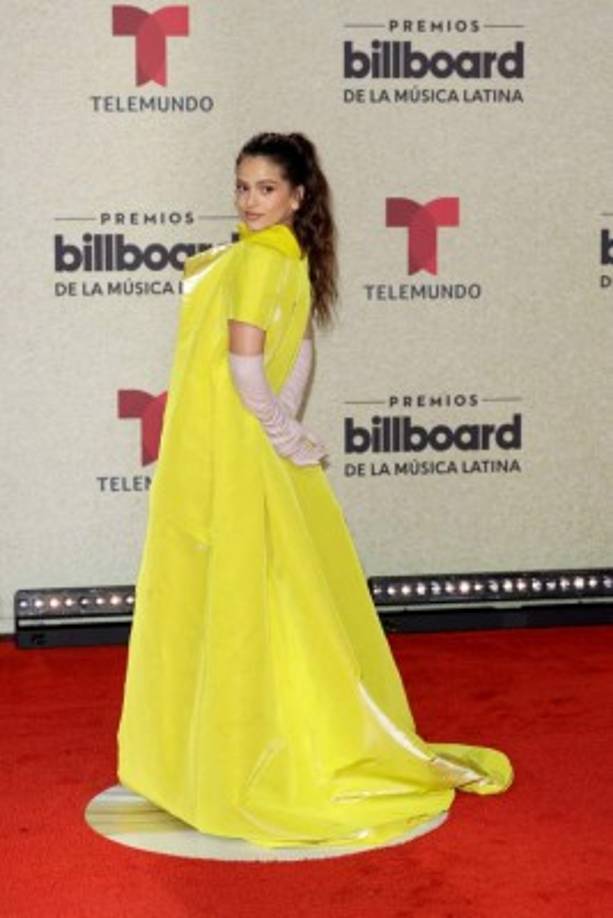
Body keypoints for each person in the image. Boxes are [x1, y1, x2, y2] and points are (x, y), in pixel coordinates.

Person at [116, 131, 514, 851]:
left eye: (265, 189)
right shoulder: (265, 258)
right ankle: (249, 750)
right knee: (274, 590)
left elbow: (288, 348)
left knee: (245, 592)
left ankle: (218, 753)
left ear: (299, 195)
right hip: (240, 447)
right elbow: (250, 368)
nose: (250, 201)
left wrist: (281, 429)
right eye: (241, 187)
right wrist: (283, 432)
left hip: (229, 447)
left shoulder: (262, 259)